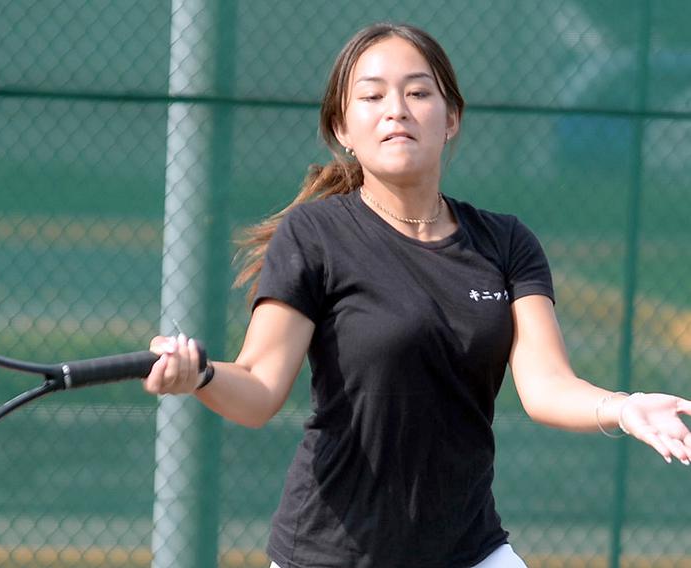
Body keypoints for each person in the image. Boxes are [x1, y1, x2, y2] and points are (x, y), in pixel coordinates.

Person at [144, 21, 691, 568]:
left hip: (469, 550)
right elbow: (260, 387)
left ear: (450, 118)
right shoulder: (314, 235)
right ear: (343, 128)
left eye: (418, 92)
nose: (397, 109)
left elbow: (547, 386)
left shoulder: (506, 242)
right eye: (372, 95)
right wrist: (202, 376)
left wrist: (625, 407)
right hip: (330, 553)